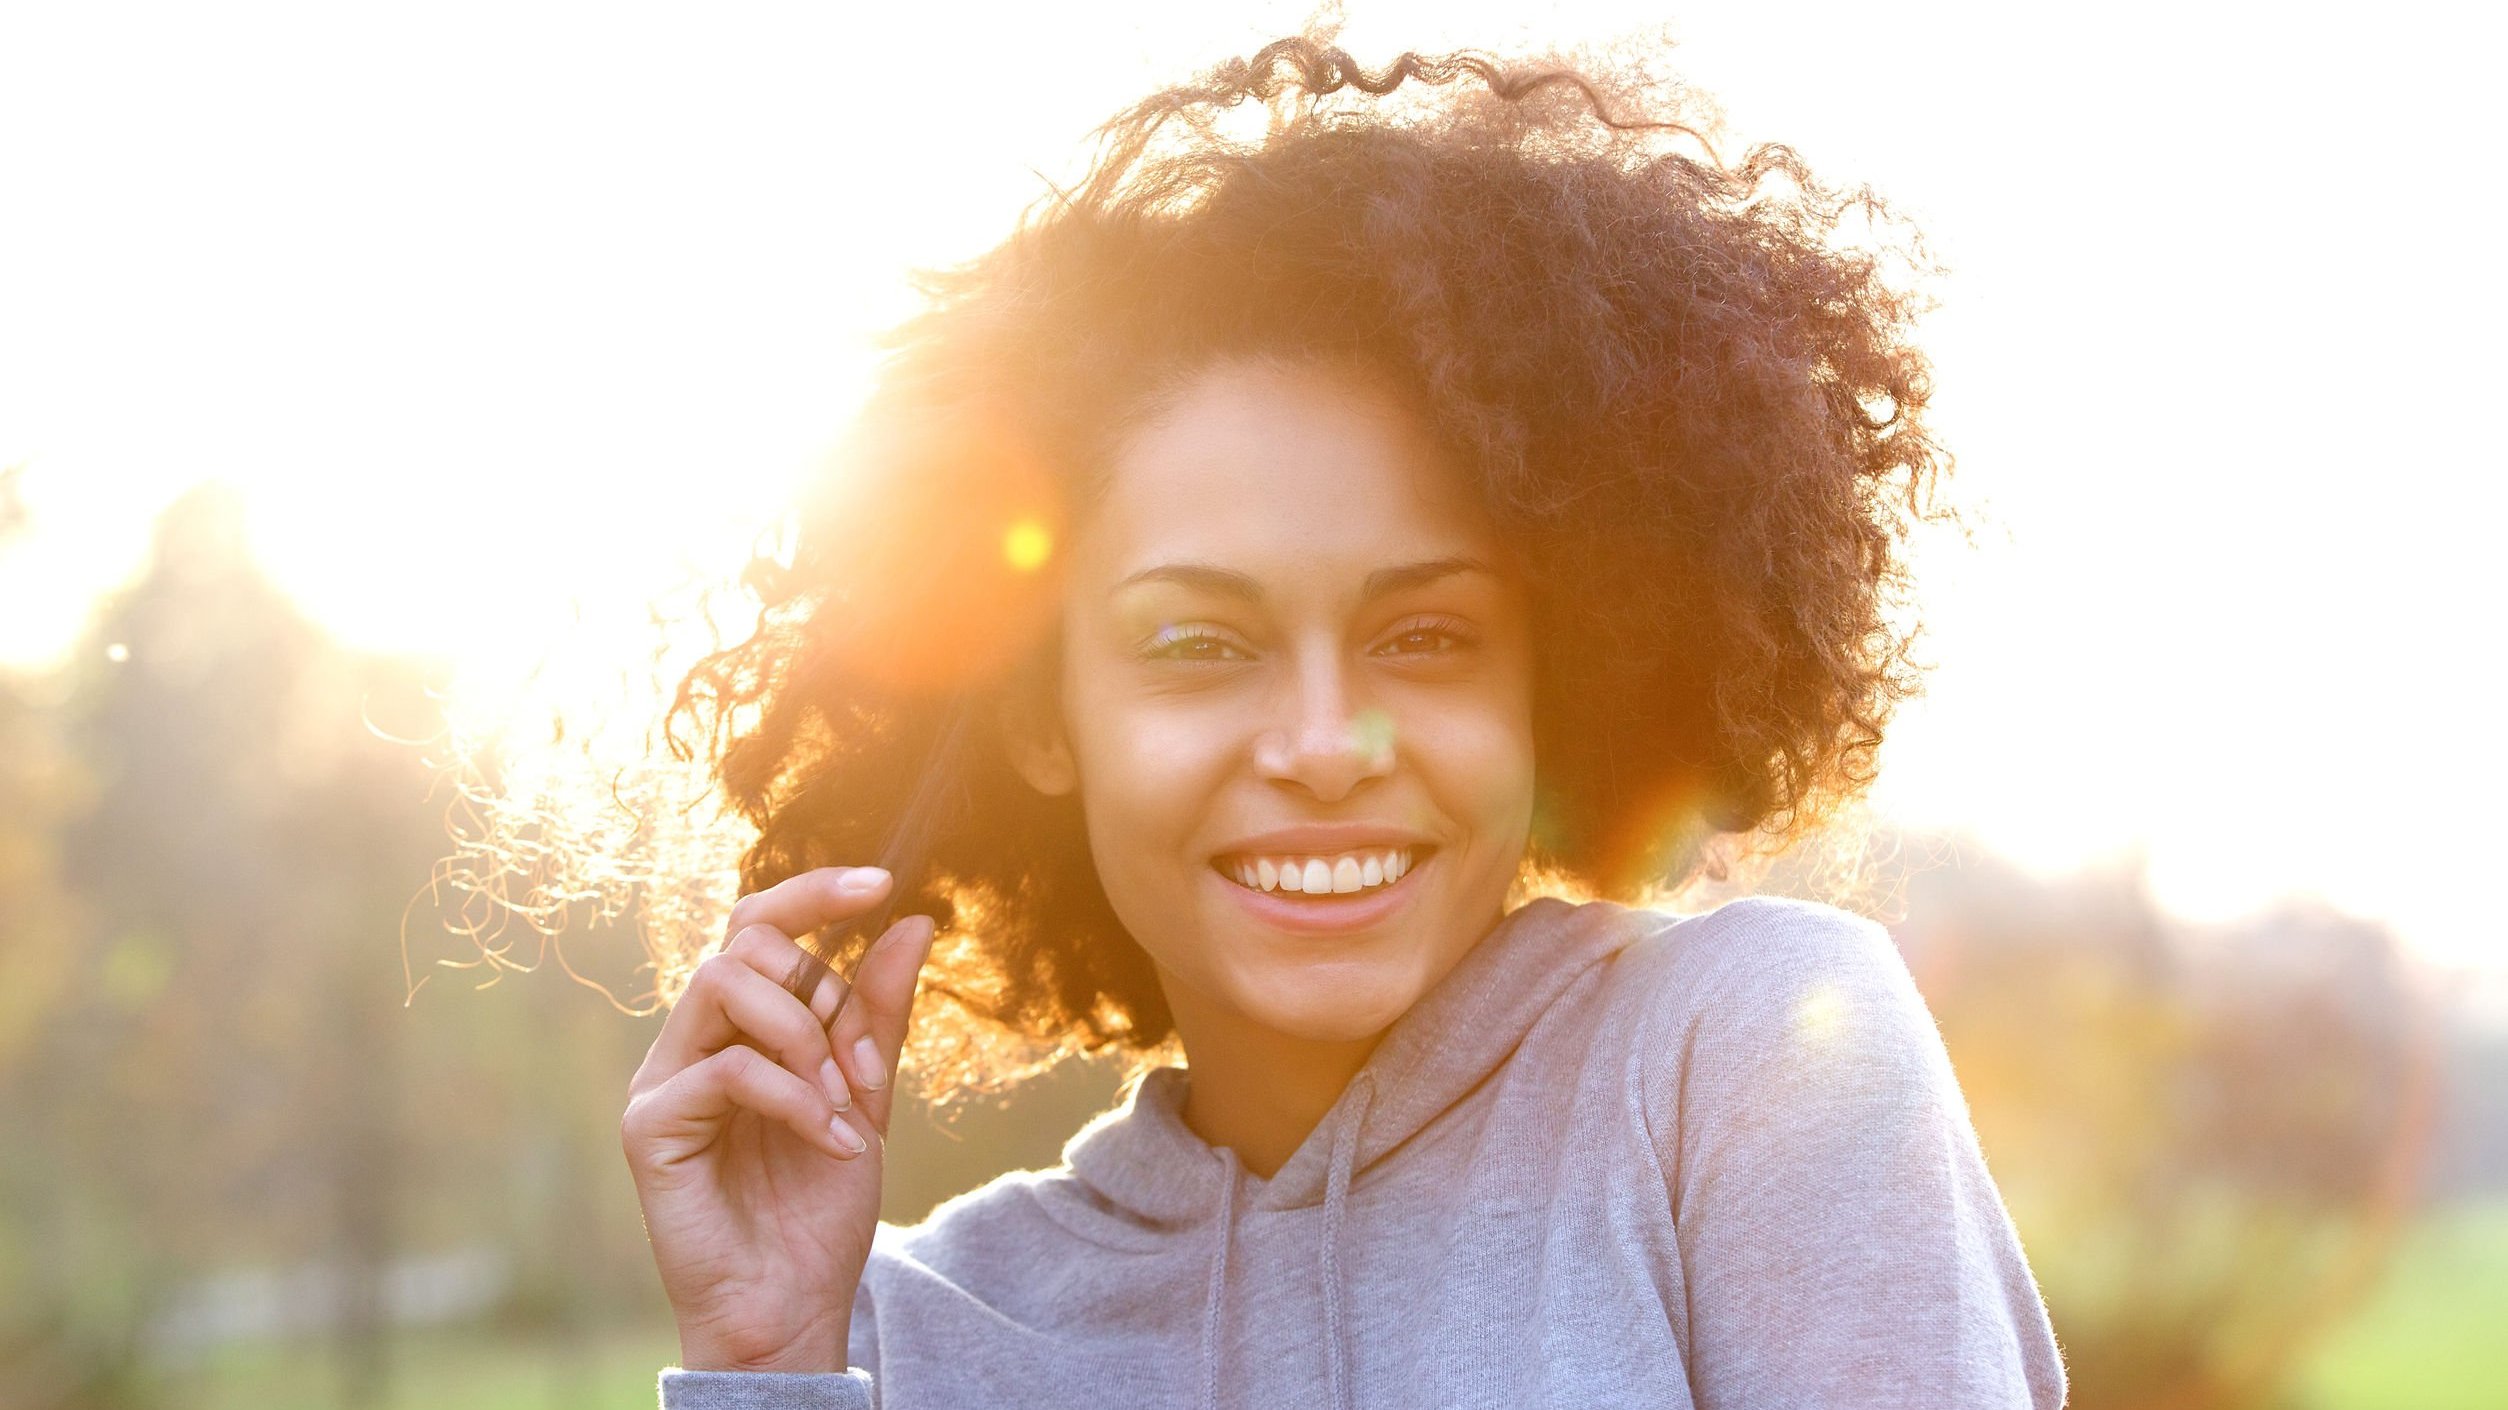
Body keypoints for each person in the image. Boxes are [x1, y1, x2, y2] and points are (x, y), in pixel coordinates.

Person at [620, 32, 2070, 1410]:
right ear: (1043, 717)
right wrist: (765, 1357)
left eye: (1424, 635)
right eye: (1199, 642)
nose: (1324, 741)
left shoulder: (1753, 1059)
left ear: (1548, 685)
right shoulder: (905, 1332)